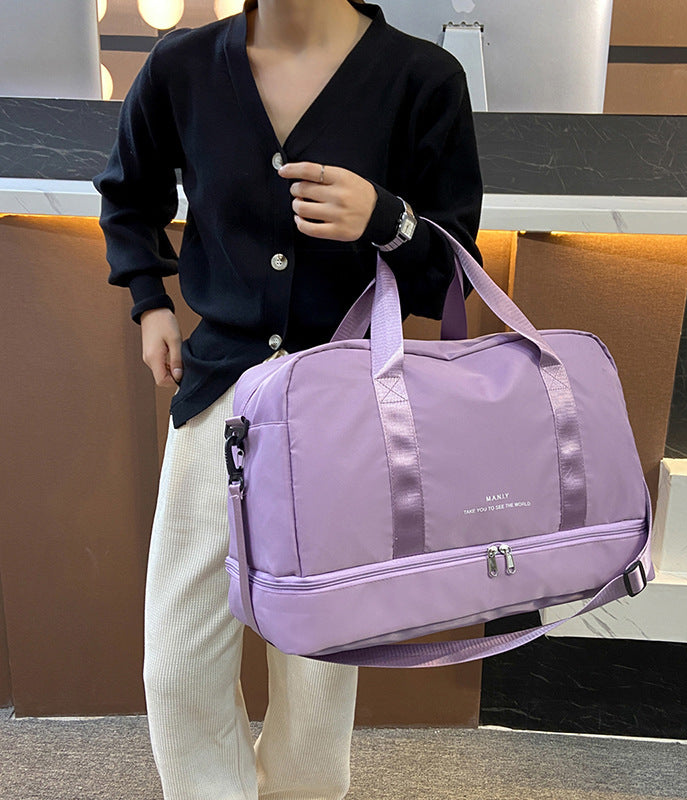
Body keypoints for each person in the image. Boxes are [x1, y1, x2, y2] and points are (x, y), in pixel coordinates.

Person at [93, 1, 483, 798]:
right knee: (177, 660)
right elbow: (128, 195)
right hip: (218, 396)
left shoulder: (421, 78)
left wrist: (385, 218)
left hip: (343, 411)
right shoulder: (183, 66)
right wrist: (150, 300)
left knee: (316, 666)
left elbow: (451, 271)